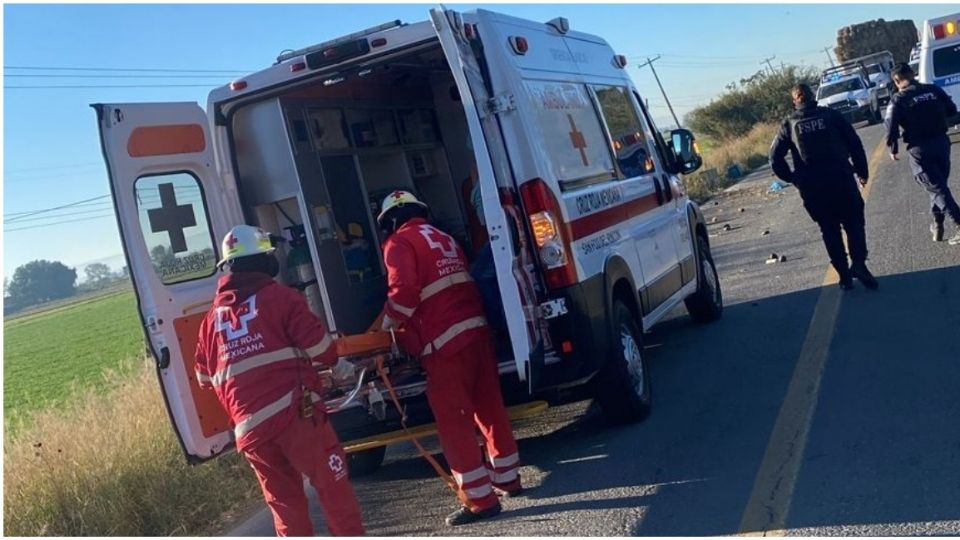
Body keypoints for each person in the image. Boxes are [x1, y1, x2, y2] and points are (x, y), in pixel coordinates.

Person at [194, 225, 364, 536]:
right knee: (333, 489)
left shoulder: (209, 322)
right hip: (295, 416)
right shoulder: (281, 298)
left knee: (285, 507)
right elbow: (322, 351)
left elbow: (204, 378)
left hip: (250, 431)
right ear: (260, 261)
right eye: (269, 254)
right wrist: (341, 367)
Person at [376, 190, 522, 527]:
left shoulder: (399, 243)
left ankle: (480, 500)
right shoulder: (444, 238)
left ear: (392, 221)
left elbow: (405, 294)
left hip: (444, 345)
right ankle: (508, 478)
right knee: (490, 409)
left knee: (454, 423)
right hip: (478, 333)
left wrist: (388, 324)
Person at [770, 83, 879, 290]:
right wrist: (861, 171)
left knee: (828, 229)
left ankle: (844, 275)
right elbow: (854, 143)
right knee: (854, 222)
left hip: (812, 187)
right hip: (841, 178)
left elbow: (775, 159)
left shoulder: (789, 124)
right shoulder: (831, 116)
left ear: (795, 102)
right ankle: (858, 264)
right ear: (813, 97)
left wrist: (794, 179)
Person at [885, 62, 960, 245]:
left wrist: (893, 149)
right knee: (938, 187)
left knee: (937, 189)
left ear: (896, 81)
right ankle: (937, 224)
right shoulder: (933, 90)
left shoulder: (898, 99)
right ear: (912, 74)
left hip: (920, 150)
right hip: (942, 144)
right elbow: (952, 110)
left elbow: (890, 127)